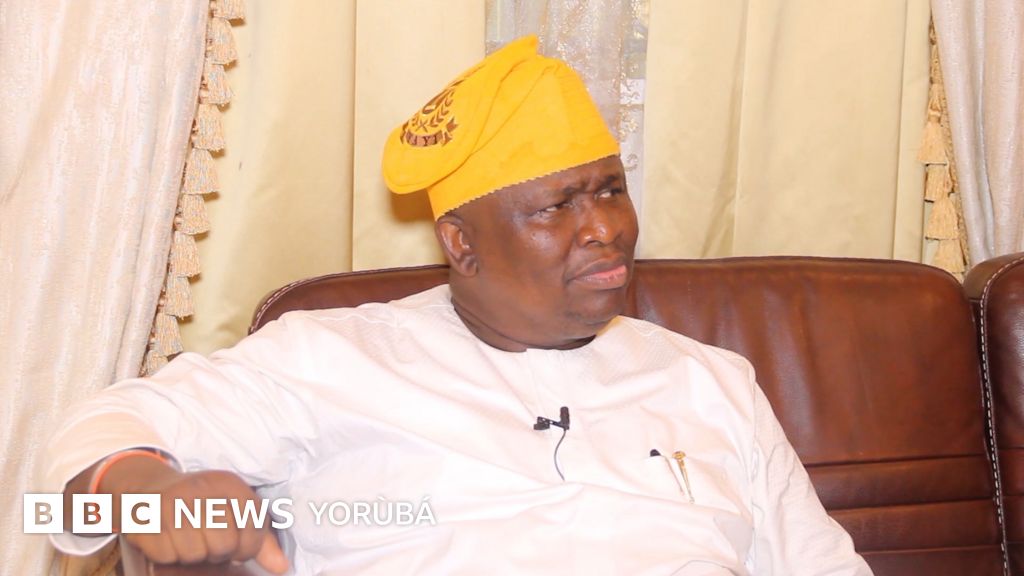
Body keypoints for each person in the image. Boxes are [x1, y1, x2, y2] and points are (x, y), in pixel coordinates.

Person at [46, 36, 872, 575]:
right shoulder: (332, 357)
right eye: (558, 207)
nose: (606, 229)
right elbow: (69, 469)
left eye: (610, 191)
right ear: (462, 244)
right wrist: (141, 485)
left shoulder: (713, 382)